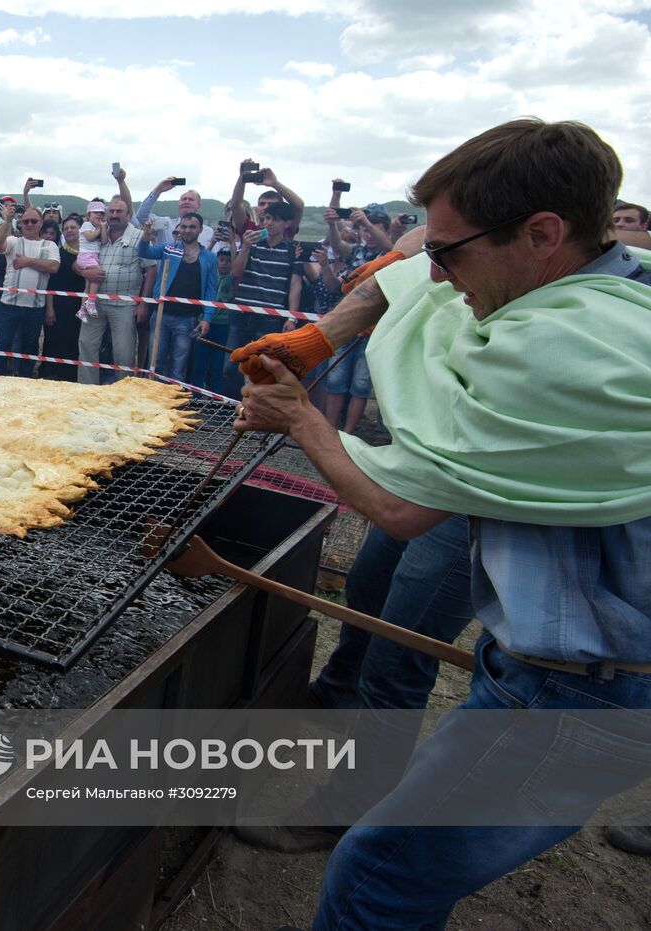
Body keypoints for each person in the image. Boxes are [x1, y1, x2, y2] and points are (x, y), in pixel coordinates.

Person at [231, 118, 651, 928]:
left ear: (542, 233)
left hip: (583, 686)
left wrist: (300, 418)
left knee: (380, 874)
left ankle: (349, 801)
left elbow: (400, 505)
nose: (436, 271)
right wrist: (323, 335)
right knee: (373, 590)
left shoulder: (560, 350)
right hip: (564, 664)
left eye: (451, 254)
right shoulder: (605, 283)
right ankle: (347, 743)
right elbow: (414, 269)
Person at [221, 201, 304, 396]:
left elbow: (295, 284)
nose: (268, 223)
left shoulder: (293, 249)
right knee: (230, 365)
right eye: (266, 218)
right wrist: (246, 248)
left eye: (274, 219)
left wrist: (292, 317)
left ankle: (259, 411)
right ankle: (229, 408)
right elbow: (235, 272)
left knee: (265, 369)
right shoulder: (253, 242)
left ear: (287, 223)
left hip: (270, 316)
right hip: (242, 311)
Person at [75, 197, 154, 384]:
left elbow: (151, 269)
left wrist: (143, 303)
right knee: (87, 346)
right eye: (111, 211)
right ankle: (86, 392)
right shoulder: (96, 234)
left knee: (124, 353)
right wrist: (86, 271)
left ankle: (123, 394)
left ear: (128, 215)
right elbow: (76, 263)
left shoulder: (138, 237)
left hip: (124, 304)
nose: (114, 215)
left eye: (119, 211)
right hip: (95, 302)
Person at [138, 212, 218, 384]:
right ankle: (150, 403)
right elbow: (145, 251)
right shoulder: (169, 248)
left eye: (192, 227)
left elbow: (212, 291)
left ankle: (174, 406)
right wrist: (146, 235)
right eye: (184, 226)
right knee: (155, 362)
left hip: (187, 319)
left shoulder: (210, 258)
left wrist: (207, 318)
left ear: (200, 229)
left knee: (178, 367)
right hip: (161, 314)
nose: (187, 230)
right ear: (179, 228)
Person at [0, 203, 59, 376]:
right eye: (25, 221)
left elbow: (53, 267)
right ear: (20, 223)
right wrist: (7, 221)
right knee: (2, 344)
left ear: (41, 223)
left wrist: (27, 261)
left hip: (35, 307)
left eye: (33, 221)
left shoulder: (50, 246)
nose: (29, 224)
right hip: (9, 304)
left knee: (30, 346)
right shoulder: (14, 241)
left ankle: (25, 378)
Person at [41, 214, 85, 382]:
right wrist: (49, 308)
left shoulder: (89, 253)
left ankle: (71, 377)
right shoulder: (59, 253)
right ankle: (50, 374)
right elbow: (51, 284)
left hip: (79, 305)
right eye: (66, 228)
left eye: (73, 227)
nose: (69, 231)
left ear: (81, 230)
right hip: (59, 305)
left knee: (75, 341)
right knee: (54, 340)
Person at [135, 177, 216, 248]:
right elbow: (141, 217)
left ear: (198, 205)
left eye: (191, 199)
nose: (186, 201)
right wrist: (158, 190)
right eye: (184, 199)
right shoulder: (166, 223)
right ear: (179, 204)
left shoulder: (208, 232)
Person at [75, 200, 107, 320]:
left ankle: (82, 310)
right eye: (96, 213)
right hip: (85, 256)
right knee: (97, 273)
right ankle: (91, 301)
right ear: (88, 215)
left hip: (93, 256)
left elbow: (104, 241)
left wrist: (103, 228)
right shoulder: (86, 225)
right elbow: (89, 237)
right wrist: (98, 229)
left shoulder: (98, 227)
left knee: (88, 284)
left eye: (101, 213)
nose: (99, 215)